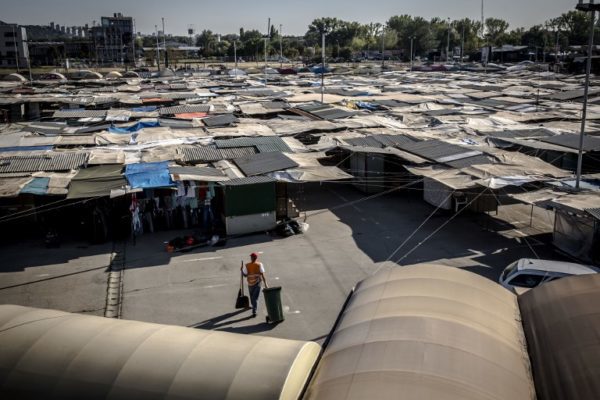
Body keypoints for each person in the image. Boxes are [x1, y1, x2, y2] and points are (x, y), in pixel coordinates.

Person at [241, 252, 268, 317]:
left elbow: (262, 274)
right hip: (250, 284)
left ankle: (254, 311)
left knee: (254, 298)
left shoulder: (258, 264)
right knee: (252, 298)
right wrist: (242, 270)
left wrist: (265, 284)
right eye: (252, 257)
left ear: (253, 258)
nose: (252, 258)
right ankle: (254, 307)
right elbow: (245, 275)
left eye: (252, 257)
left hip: (257, 283)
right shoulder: (248, 265)